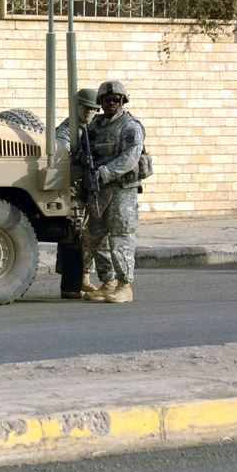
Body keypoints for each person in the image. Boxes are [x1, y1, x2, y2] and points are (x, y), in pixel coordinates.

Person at [84, 80, 146, 304]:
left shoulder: (130, 127)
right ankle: (108, 282)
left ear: (122, 101)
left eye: (115, 100)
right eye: (107, 100)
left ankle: (124, 285)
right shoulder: (95, 125)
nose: (111, 103)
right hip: (99, 190)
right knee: (95, 236)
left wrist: (105, 172)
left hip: (121, 190)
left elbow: (130, 158)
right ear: (100, 102)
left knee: (120, 237)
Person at [56, 88, 102, 299]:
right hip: (74, 190)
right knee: (75, 234)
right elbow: (61, 151)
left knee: (91, 235)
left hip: (91, 189)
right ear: (77, 107)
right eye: (86, 108)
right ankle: (71, 285)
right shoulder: (67, 129)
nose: (90, 112)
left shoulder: (97, 128)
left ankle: (84, 277)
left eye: (94, 109)